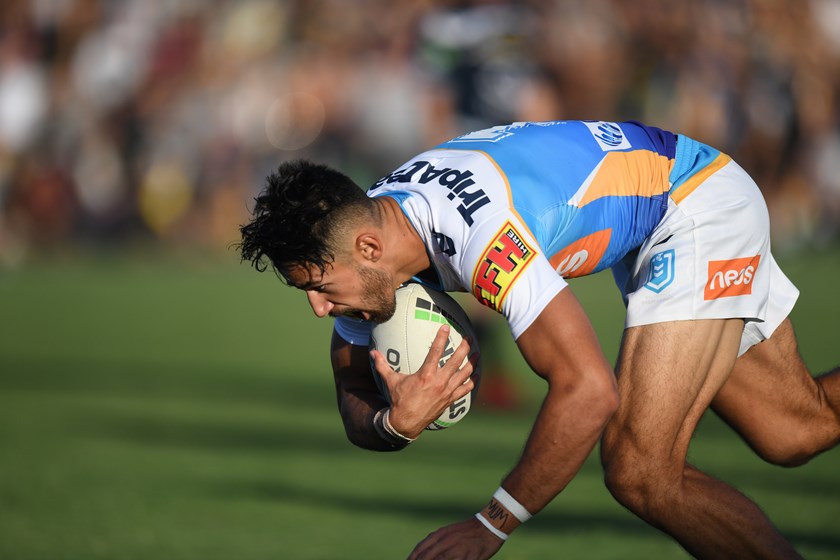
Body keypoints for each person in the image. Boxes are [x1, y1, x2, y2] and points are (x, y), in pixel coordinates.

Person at [238, 120, 840, 559]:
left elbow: (587, 390)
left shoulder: (479, 237)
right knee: (795, 431)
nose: (319, 308)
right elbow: (350, 381)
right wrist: (391, 426)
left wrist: (491, 524)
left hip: (692, 204)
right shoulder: (370, 243)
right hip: (671, 201)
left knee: (640, 469)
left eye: (318, 286)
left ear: (366, 249)